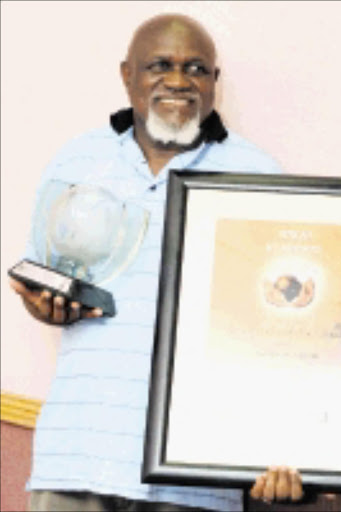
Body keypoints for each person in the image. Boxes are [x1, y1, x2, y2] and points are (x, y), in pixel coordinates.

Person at [10, 14, 304, 512]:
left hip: (197, 476)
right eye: (160, 66)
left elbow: (282, 323)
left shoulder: (259, 174)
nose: (178, 80)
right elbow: (45, 277)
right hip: (77, 454)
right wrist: (45, 306)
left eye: (195, 68)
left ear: (216, 81)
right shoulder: (77, 159)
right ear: (127, 75)